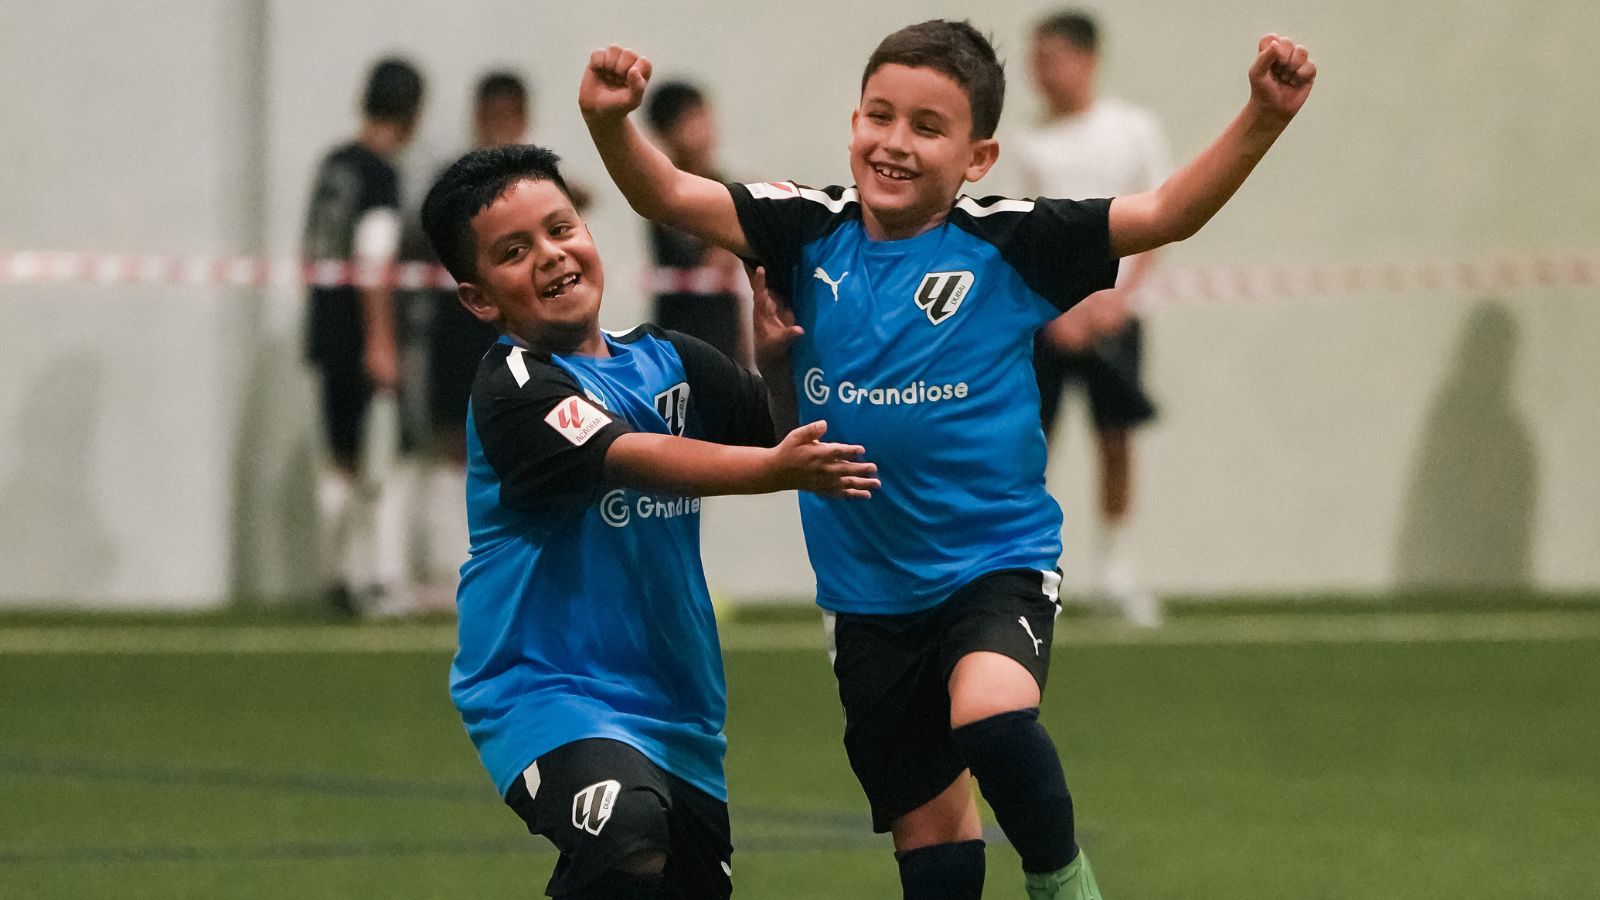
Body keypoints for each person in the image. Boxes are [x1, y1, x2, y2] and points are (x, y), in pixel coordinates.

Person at [580, 21, 1315, 899]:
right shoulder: (804, 227)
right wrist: (611, 123)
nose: (894, 143)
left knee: (993, 718)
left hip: (993, 564)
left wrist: (1263, 117)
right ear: (853, 119)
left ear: (979, 155)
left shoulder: (1013, 242)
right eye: (880, 116)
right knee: (930, 839)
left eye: (928, 127)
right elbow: (665, 193)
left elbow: (1164, 213)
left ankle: (1060, 877)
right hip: (865, 597)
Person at [418, 143, 879, 900]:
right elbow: (630, 455)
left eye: (560, 228)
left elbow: (786, 430)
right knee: (626, 833)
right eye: (513, 251)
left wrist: (776, 368)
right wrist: (771, 474)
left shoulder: (670, 358)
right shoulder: (513, 388)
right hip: (545, 696)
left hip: (680, 709)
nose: (550, 255)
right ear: (479, 299)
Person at [1015, 11, 1171, 627]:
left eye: (1050, 57)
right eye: (1035, 59)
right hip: (1045, 322)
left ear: (1087, 59)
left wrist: (1115, 301)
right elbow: (1018, 233)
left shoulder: (1133, 130)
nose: (1039, 71)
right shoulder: (1027, 143)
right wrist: (1053, 310)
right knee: (1030, 443)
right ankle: (1024, 567)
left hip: (1116, 318)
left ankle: (1115, 571)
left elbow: (1160, 220)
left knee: (1116, 438)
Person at [302, 56, 424, 617]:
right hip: (359, 330)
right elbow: (372, 260)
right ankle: (371, 578)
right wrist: (381, 341)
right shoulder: (379, 173)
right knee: (378, 455)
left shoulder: (333, 165)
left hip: (325, 323)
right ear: (412, 113)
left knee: (340, 453)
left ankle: (334, 575)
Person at [645, 81, 750, 366]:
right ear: (666, 133)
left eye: (705, 116)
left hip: (725, 334)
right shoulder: (660, 189)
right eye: (692, 120)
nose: (706, 128)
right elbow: (711, 258)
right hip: (679, 335)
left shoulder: (723, 184)